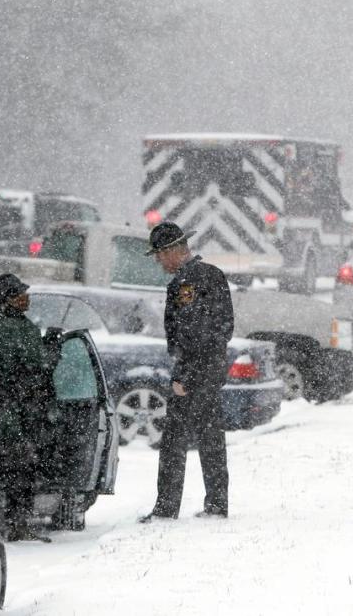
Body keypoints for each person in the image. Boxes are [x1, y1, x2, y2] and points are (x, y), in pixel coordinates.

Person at [139, 222, 234, 523]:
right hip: (212, 369)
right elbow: (224, 327)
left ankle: (166, 509)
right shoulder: (213, 274)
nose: (157, 261)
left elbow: (193, 334)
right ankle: (217, 504)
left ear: (173, 251)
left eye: (159, 254)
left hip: (196, 372)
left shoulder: (186, 284)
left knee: (173, 442)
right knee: (210, 439)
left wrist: (183, 376)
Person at [0, 273, 61, 542]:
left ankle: (14, 519)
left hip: (14, 404)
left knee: (17, 465)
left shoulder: (0, 324)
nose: (26, 298)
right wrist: (53, 347)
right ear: (5, 300)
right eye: (19, 294)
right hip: (11, 406)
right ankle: (17, 522)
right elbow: (35, 362)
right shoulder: (7, 327)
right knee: (19, 464)